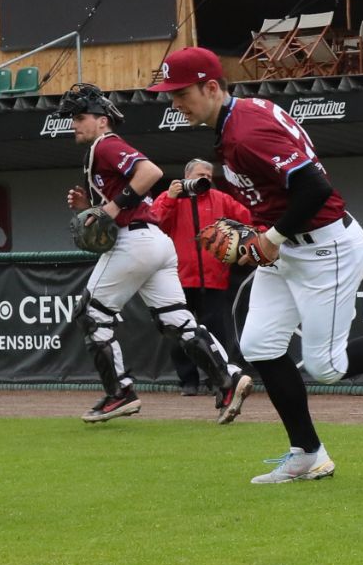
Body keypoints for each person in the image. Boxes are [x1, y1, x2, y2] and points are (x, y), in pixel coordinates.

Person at [150, 48, 363, 483]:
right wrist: (262, 232)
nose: (174, 101)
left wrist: (269, 237)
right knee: (261, 346)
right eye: (170, 93)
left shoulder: (245, 129)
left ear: (211, 87)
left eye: (180, 92)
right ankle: (307, 453)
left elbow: (315, 188)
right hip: (289, 247)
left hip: (327, 248)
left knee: (327, 366)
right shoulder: (239, 118)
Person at [60, 82, 250, 426]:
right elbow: (122, 202)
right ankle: (228, 379)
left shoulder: (106, 144)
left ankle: (119, 393)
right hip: (156, 242)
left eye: (80, 116)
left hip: (134, 243)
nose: (74, 122)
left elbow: (150, 173)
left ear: (102, 120)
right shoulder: (101, 151)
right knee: (176, 319)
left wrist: (111, 209)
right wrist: (91, 207)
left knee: (91, 314)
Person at [149, 157, 252, 396]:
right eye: (199, 175)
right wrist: (170, 197)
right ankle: (188, 381)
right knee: (179, 333)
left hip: (214, 279)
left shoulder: (221, 199)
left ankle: (218, 380)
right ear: (186, 177)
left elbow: (247, 219)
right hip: (177, 279)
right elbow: (154, 222)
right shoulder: (171, 198)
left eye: (208, 175)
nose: (204, 178)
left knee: (216, 334)